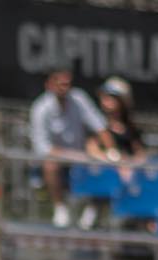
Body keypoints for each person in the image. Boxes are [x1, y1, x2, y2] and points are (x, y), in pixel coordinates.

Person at [28, 68, 112, 229]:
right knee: (50, 164)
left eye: (68, 84)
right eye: (60, 84)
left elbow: (100, 127)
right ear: (50, 85)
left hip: (81, 160)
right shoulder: (40, 108)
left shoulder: (79, 99)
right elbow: (43, 149)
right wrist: (73, 156)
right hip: (56, 162)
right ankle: (60, 209)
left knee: (104, 163)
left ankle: (92, 211)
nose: (64, 88)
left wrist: (111, 152)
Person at [96, 76, 146, 165]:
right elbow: (92, 149)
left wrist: (129, 163)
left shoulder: (131, 129)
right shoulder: (96, 124)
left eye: (112, 96)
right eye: (105, 96)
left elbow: (140, 154)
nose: (106, 100)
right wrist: (111, 159)